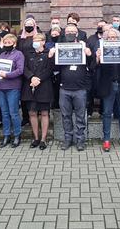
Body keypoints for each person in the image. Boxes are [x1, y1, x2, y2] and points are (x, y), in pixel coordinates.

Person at [50, 23, 93, 151]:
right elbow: (54, 68)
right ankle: (68, 139)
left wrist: (89, 54)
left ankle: (80, 140)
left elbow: (92, 66)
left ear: (77, 33)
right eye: (68, 31)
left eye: (73, 31)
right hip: (64, 88)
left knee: (80, 116)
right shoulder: (60, 47)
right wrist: (51, 56)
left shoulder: (84, 46)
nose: (70, 33)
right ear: (64, 33)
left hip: (80, 89)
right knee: (66, 116)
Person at [21, 33, 54, 150]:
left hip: (44, 86)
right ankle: (35, 138)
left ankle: (43, 139)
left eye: (38, 40)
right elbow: (24, 68)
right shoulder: (28, 53)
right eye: (34, 39)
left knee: (44, 113)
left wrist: (39, 78)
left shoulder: (49, 53)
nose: (35, 41)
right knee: (32, 113)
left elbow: (50, 69)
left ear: (43, 42)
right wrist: (31, 77)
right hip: (30, 86)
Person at [0, 33, 25, 148]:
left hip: (13, 87)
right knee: (4, 113)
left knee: (14, 113)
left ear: (14, 44)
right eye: (5, 42)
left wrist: (7, 75)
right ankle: (6, 135)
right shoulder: (2, 54)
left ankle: (17, 135)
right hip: (1, 87)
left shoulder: (19, 54)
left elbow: (20, 70)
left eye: (9, 43)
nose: (7, 44)